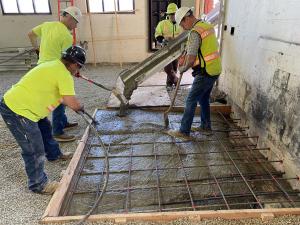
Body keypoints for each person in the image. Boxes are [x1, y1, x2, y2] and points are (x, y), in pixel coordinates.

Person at [0, 45, 86, 194]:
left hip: (28, 108)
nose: (78, 70)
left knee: (45, 128)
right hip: (17, 109)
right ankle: (39, 184)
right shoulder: (64, 75)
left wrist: (75, 104)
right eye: (78, 67)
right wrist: (79, 107)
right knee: (33, 148)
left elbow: (62, 97)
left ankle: (54, 154)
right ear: (73, 64)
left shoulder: (54, 64)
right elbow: (70, 101)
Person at [28, 6, 82, 142]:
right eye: (75, 22)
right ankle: (57, 131)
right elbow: (68, 60)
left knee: (59, 99)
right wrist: (74, 71)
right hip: (56, 71)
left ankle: (63, 122)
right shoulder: (66, 36)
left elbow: (30, 34)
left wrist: (37, 48)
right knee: (60, 99)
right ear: (69, 18)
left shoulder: (47, 25)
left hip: (42, 68)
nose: (75, 26)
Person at [167, 7, 222, 140]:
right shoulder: (206, 26)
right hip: (215, 69)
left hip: (205, 72)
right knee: (203, 99)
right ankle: (206, 126)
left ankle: (184, 131)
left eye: (182, 24)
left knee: (191, 99)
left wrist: (182, 69)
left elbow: (191, 60)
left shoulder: (195, 33)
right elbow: (200, 50)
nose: (183, 27)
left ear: (186, 18)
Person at [155, 3, 182, 90]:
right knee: (167, 67)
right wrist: (163, 40)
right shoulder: (162, 24)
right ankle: (175, 81)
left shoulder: (181, 24)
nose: (172, 16)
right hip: (165, 49)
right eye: (171, 14)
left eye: (174, 14)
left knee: (174, 67)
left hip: (177, 49)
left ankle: (170, 84)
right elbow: (157, 35)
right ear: (168, 14)